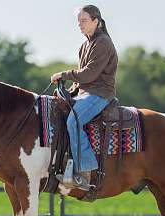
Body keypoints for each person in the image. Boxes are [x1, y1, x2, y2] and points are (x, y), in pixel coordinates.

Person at [51, 4, 118, 190]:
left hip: (100, 94)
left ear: (96, 21)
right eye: (78, 21)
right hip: (85, 93)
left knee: (74, 121)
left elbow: (88, 75)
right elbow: (81, 80)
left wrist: (64, 75)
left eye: (84, 21)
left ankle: (85, 171)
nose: (80, 25)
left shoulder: (103, 42)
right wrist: (68, 91)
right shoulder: (84, 46)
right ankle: (65, 164)